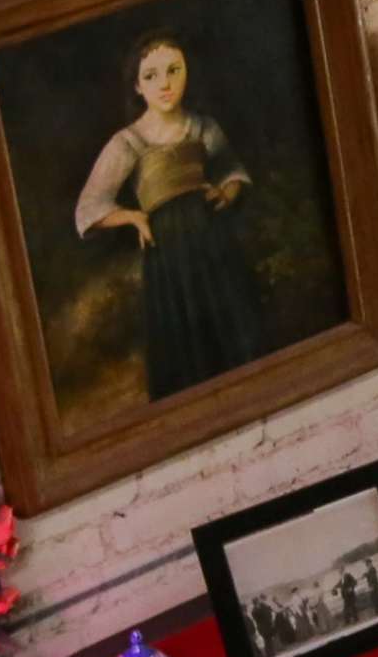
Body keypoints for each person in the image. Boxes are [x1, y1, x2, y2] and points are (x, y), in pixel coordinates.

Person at [74, 30, 268, 400]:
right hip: (167, 248)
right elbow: (89, 207)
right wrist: (133, 217)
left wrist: (226, 193)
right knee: (183, 339)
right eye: (151, 75)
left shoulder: (203, 126)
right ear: (137, 86)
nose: (164, 84)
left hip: (213, 239)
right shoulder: (128, 141)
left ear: (187, 72)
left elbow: (231, 170)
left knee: (231, 324)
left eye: (174, 70)